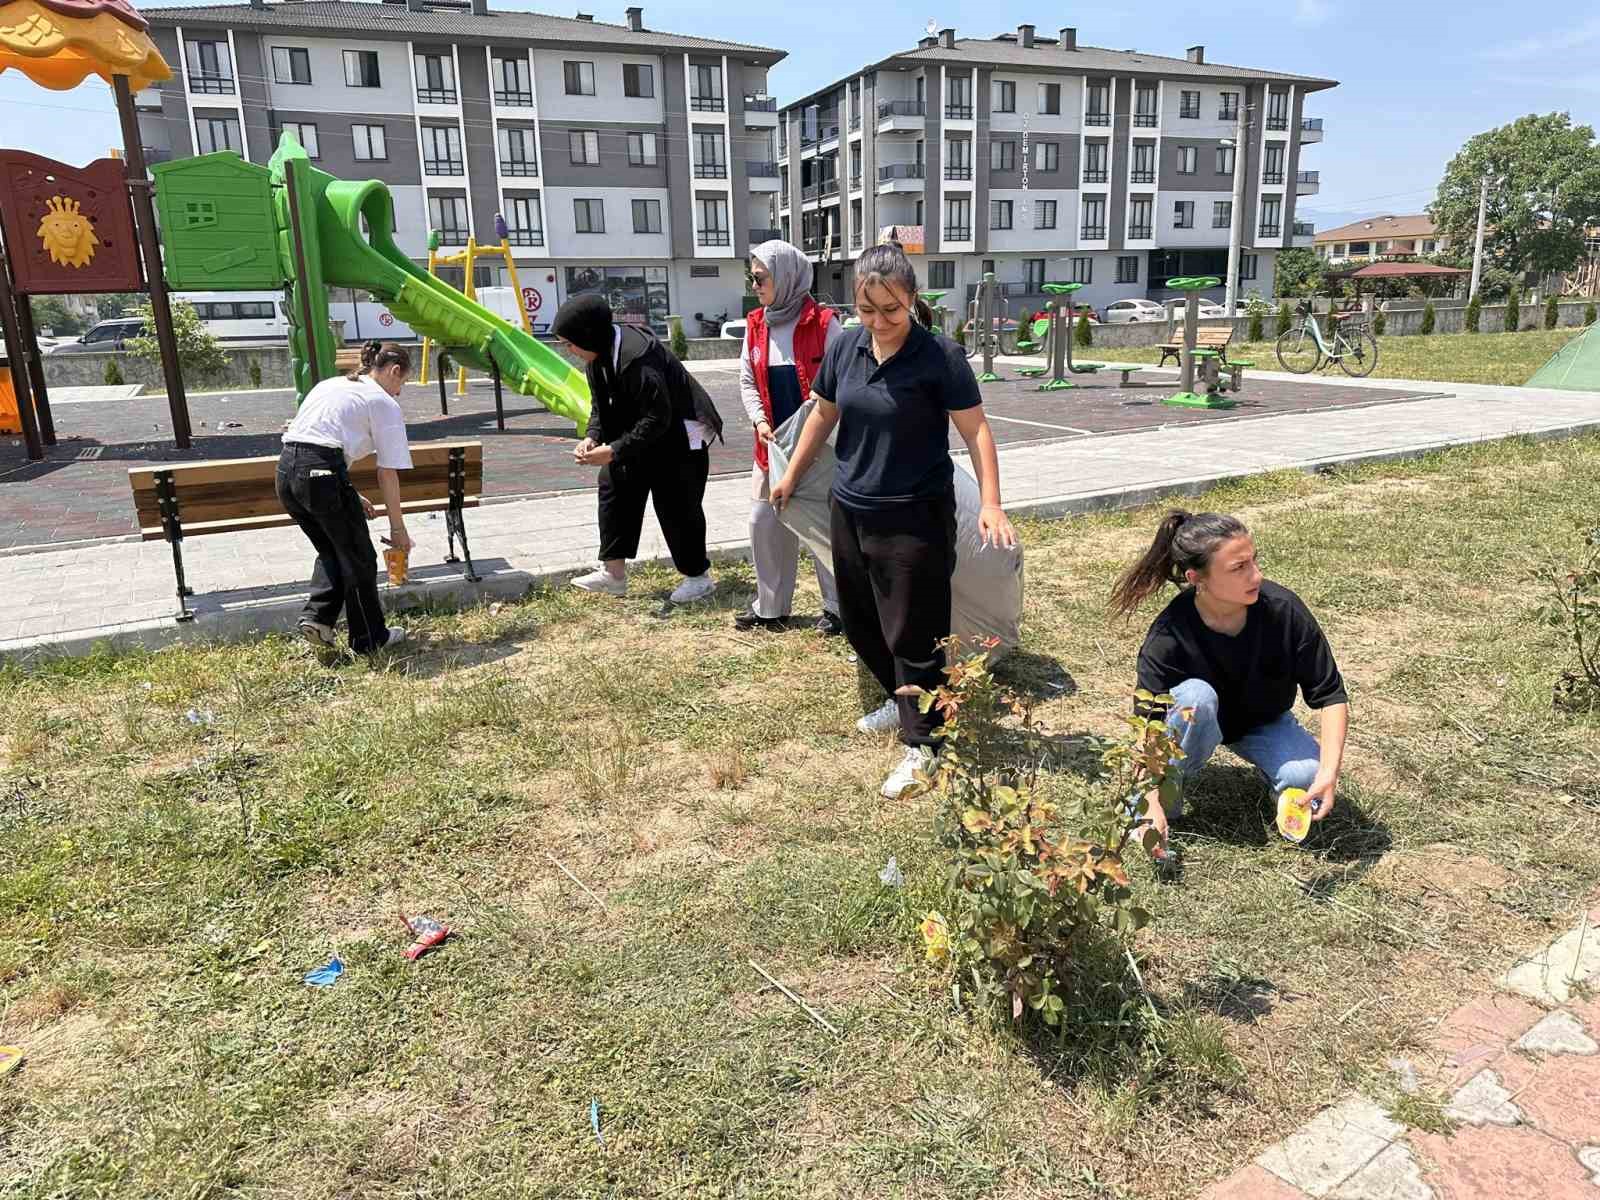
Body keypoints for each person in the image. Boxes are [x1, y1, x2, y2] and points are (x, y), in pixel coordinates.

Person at [770, 243, 1017, 799]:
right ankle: (899, 696)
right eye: (868, 310)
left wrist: (993, 503)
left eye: (892, 310)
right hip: (851, 507)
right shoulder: (846, 348)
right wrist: (791, 475)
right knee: (860, 617)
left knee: (914, 630)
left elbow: (977, 432)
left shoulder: (940, 358)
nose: (880, 322)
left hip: (916, 517)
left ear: (912, 301)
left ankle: (924, 746)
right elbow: (822, 414)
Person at [1110, 510, 1350, 860]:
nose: (1257, 575)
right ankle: (1164, 789)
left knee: (1308, 776)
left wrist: (1328, 772)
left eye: (1254, 561)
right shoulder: (1169, 634)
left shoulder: (1283, 610)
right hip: (1193, 723)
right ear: (1197, 578)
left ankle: (1285, 788)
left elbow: (1330, 695)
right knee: (1197, 698)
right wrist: (1147, 799)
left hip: (1262, 720)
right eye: (1239, 568)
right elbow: (1147, 725)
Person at [554, 294, 724, 602]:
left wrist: (615, 449)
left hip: (681, 432)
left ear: (587, 336)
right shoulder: (597, 356)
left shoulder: (640, 358)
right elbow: (600, 408)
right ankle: (613, 574)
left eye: (569, 343)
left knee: (675, 500)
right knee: (613, 481)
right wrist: (592, 437)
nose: (568, 350)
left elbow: (658, 418)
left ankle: (698, 577)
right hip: (650, 429)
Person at [276, 340, 415, 656]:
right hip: (322, 475)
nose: (399, 392)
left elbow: (314, 444)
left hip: (287, 473)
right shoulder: (382, 402)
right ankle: (369, 637)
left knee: (333, 548)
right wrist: (398, 530)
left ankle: (318, 620)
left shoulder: (331, 385)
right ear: (394, 371)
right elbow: (387, 472)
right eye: (402, 382)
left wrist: (348, 491)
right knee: (360, 558)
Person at [738, 239, 844, 634]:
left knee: (821, 526)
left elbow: (840, 383)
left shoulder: (824, 323)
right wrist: (760, 421)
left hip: (819, 449)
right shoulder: (755, 324)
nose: (755, 286)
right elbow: (748, 381)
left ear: (785, 277)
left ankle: (836, 608)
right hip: (770, 447)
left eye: (760, 277)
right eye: (752, 278)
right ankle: (771, 607)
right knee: (763, 521)